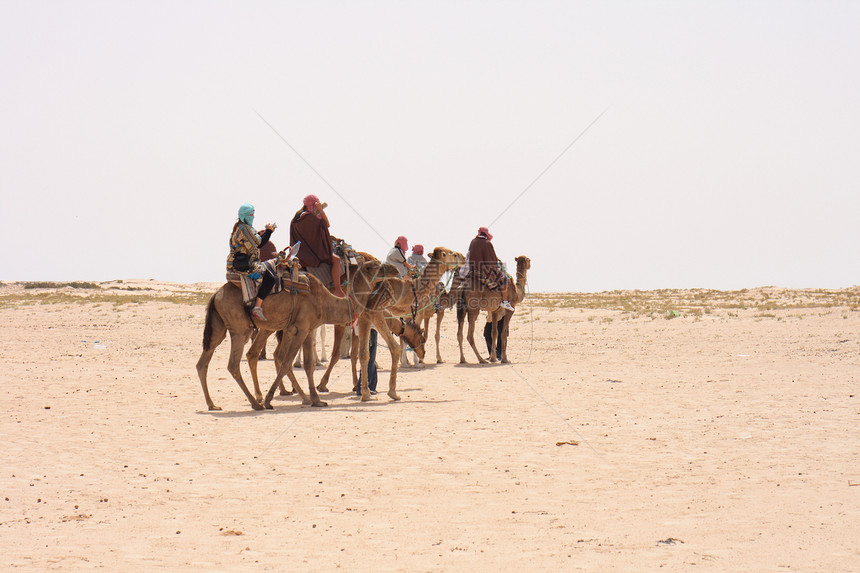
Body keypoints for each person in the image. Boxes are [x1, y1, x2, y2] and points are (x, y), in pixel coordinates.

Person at [226, 203, 277, 321]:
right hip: (245, 265)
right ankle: (257, 307)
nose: (253, 217)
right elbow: (259, 244)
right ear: (245, 216)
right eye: (251, 215)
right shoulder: (245, 228)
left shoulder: (240, 227)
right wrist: (269, 231)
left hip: (239, 263)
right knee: (270, 279)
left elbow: (254, 240)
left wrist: (263, 233)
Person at [289, 194, 345, 297]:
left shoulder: (297, 217)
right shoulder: (309, 217)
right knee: (336, 260)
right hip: (311, 253)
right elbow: (326, 224)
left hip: (302, 252)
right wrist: (321, 210)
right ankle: (338, 289)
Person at [467, 226, 514, 311]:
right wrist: (496, 262)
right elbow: (491, 259)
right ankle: (505, 301)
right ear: (486, 234)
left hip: (473, 269)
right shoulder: (487, 243)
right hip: (484, 271)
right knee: (504, 278)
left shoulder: (473, 242)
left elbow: (469, 255)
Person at [356, 328, 378, 396]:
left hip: (368, 329)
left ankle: (371, 386)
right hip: (370, 329)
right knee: (370, 358)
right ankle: (366, 387)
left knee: (371, 359)